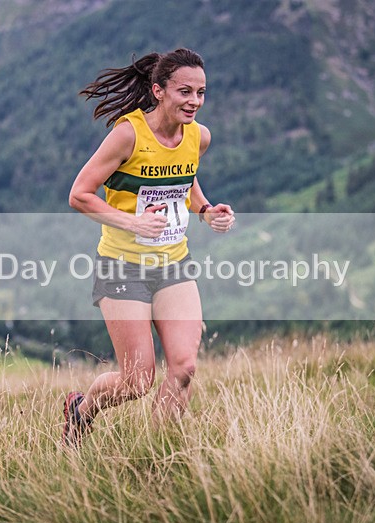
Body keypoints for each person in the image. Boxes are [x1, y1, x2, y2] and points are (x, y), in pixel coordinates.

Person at [64, 48, 235, 446]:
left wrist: (208, 211)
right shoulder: (128, 134)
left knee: (184, 366)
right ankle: (81, 409)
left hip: (174, 265)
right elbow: (79, 194)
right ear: (158, 91)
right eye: (184, 91)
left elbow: (184, 182)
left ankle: (158, 458)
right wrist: (132, 222)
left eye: (201, 92)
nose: (194, 101)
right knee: (138, 380)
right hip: (122, 266)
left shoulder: (198, 136)